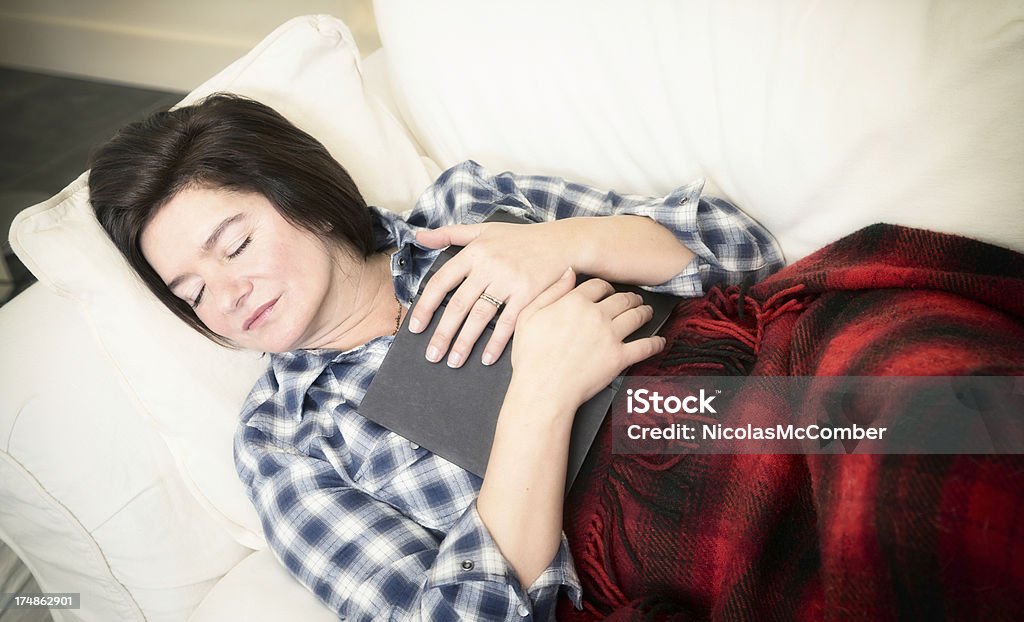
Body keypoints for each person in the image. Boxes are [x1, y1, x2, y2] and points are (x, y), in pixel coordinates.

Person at [89, 94, 784, 620]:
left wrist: (569, 243)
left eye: (235, 246)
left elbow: (747, 251)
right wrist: (541, 397)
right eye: (192, 292)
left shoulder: (464, 210)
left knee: (884, 416)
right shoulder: (285, 442)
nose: (229, 295)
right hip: (689, 525)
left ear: (307, 201)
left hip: (770, 382)